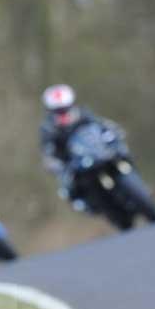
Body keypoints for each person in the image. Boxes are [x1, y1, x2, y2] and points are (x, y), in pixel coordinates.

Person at [40, 83, 126, 212]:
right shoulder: (48, 128)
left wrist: (113, 132)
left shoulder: (84, 114)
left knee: (122, 153)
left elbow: (103, 125)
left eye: (65, 108)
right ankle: (85, 204)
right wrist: (54, 164)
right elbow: (48, 152)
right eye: (59, 110)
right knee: (68, 187)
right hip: (76, 165)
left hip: (99, 153)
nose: (63, 113)